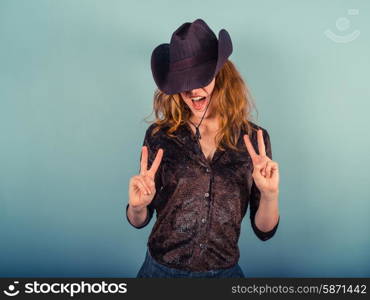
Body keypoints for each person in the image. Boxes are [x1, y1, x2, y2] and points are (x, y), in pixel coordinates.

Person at [126, 19, 280, 278]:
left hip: (224, 274)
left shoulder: (255, 140)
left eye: (200, 77)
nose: (192, 89)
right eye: (183, 81)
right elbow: (138, 220)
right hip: (160, 273)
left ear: (221, 75)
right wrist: (138, 206)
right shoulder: (160, 136)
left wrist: (270, 194)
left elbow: (264, 231)